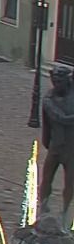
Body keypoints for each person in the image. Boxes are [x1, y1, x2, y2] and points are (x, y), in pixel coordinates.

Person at [40, 65, 74, 214]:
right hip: (55, 146)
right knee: (46, 178)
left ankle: (65, 213)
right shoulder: (49, 99)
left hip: (72, 148)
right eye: (54, 81)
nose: (56, 85)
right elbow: (51, 121)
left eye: (60, 81)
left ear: (68, 81)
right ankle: (43, 208)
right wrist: (47, 141)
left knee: (70, 182)